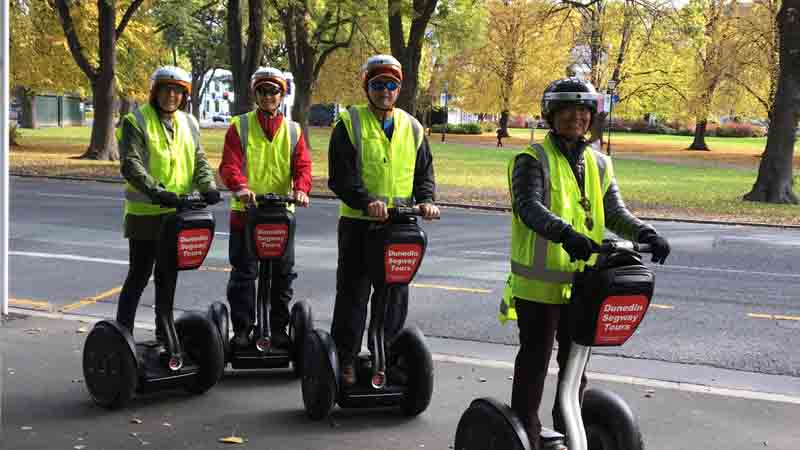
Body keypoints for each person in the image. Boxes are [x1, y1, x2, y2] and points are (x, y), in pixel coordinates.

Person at [498, 77, 671, 450]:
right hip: (540, 285)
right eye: (566, 110)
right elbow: (529, 207)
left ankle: (569, 431)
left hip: (587, 282)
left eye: (583, 110)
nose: (576, 117)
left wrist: (647, 233)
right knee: (535, 362)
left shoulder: (599, 162)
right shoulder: (531, 160)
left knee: (576, 367)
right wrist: (565, 234)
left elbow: (614, 212)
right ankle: (526, 434)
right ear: (551, 115)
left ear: (591, 116)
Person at [328, 54, 440, 386]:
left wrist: (427, 201)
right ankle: (345, 360)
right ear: (367, 87)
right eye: (378, 84)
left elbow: (424, 173)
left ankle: (385, 357)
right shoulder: (350, 123)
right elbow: (341, 177)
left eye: (391, 85)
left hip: (401, 226)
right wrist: (366, 202)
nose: (385, 90)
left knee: (393, 295)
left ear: (399, 88)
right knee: (353, 295)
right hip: (360, 225)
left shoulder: (413, 126)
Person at [116, 65, 221, 339]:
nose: (171, 95)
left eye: (177, 91)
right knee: (139, 276)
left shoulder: (189, 123)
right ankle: (122, 336)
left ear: (184, 96)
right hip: (145, 214)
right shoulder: (136, 121)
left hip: (178, 215)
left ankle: (164, 333)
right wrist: (156, 191)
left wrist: (208, 185)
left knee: (168, 276)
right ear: (155, 91)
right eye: (166, 89)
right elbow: (131, 164)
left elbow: (198, 160)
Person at [219, 67, 312, 349]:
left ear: (282, 95)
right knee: (245, 274)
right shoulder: (240, 126)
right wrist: (240, 187)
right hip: (246, 213)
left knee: (282, 275)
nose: (268, 96)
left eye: (274, 91)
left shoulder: (293, 130)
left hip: (281, 216)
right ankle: (244, 330)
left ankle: (279, 329)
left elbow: (303, 165)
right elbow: (229, 164)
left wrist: (301, 189)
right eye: (262, 91)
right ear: (255, 94)